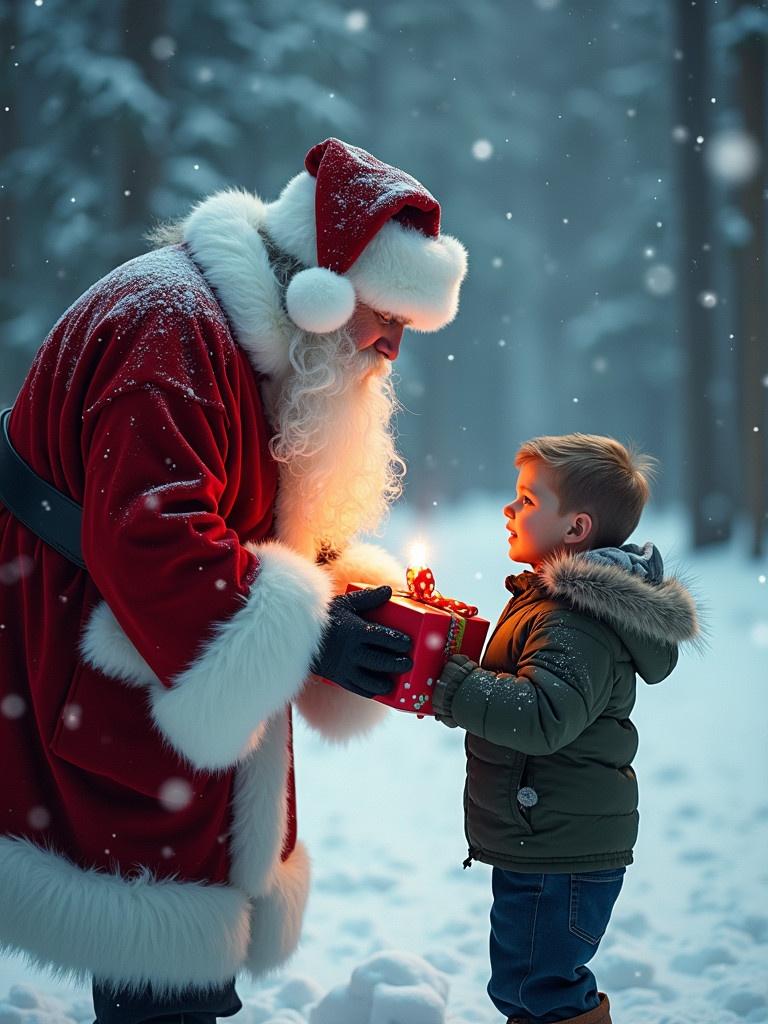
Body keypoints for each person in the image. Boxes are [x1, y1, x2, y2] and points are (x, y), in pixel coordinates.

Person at [0, 138, 467, 1022]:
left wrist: (333, 597)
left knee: (173, 909)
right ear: (320, 291)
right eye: (388, 318)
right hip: (82, 642)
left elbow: (245, 504)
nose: (390, 348)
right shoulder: (169, 329)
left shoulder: (235, 330)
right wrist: (310, 632)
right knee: (149, 914)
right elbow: (153, 537)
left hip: (140, 645)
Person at [432, 434, 700, 1024]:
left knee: (539, 991)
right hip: (553, 839)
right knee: (534, 986)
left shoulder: (574, 613)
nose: (510, 509)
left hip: (556, 849)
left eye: (527, 500)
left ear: (575, 529)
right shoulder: (556, 603)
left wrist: (448, 685)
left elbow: (542, 715)